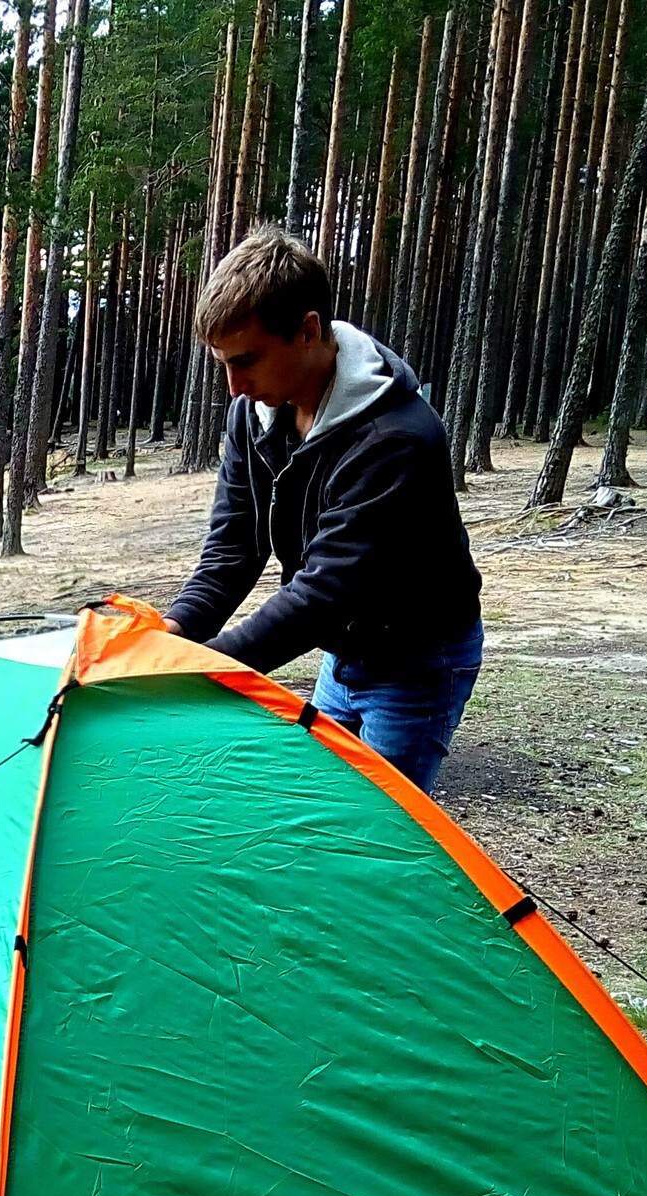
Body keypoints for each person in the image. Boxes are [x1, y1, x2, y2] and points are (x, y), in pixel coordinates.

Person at [165, 227, 484, 794]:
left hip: (417, 660)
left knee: (378, 827)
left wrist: (202, 673)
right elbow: (235, 546)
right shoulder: (258, 413)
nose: (234, 386)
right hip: (343, 648)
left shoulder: (396, 438)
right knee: (322, 807)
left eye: (247, 361)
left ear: (308, 330)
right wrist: (175, 631)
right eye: (222, 364)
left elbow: (325, 592)